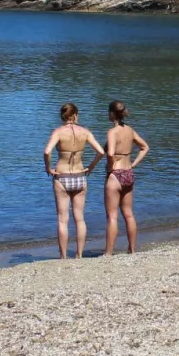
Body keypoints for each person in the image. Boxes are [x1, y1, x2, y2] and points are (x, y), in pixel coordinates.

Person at [43, 104, 106, 259]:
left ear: (62, 116)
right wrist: (91, 166)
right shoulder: (85, 132)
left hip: (62, 177)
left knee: (62, 220)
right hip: (80, 176)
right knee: (80, 218)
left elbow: (47, 151)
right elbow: (101, 151)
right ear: (76, 115)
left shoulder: (58, 132)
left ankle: (63, 256)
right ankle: (79, 254)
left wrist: (48, 168)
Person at [102, 100, 151, 258]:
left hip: (115, 175)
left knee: (112, 216)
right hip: (128, 173)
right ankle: (132, 249)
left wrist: (110, 168)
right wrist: (134, 163)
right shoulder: (130, 130)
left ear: (111, 114)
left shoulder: (112, 132)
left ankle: (108, 252)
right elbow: (145, 147)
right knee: (129, 214)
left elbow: (110, 153)